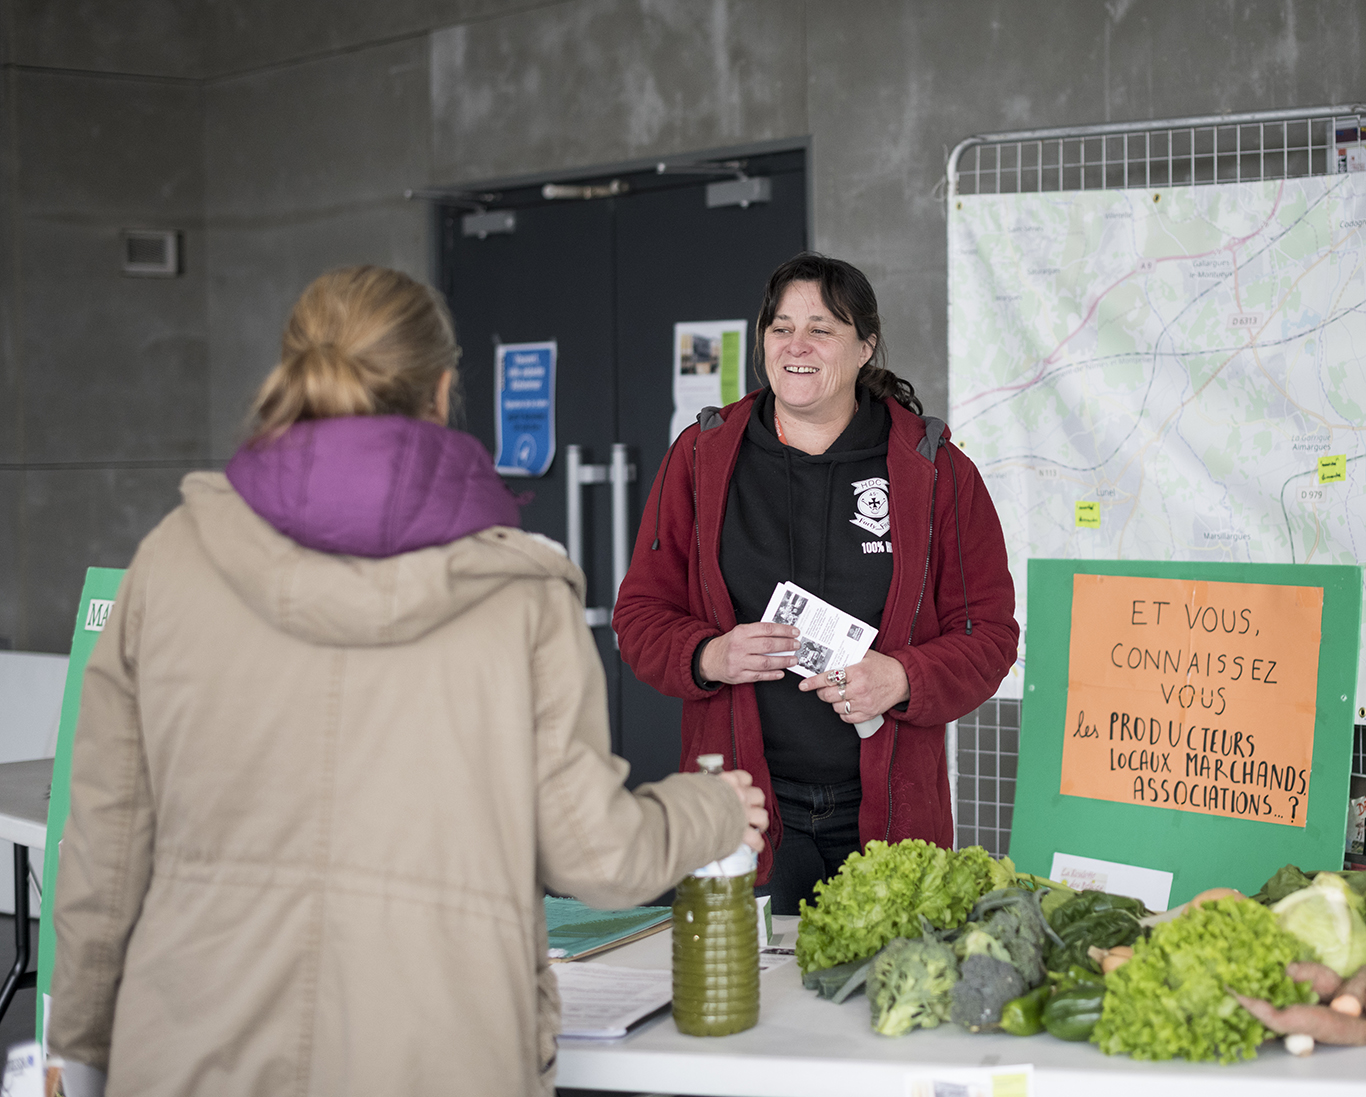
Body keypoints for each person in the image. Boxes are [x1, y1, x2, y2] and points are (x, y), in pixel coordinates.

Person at [47, 266, 766, 1097]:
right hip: (440, 1054)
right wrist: (710, 809)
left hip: (191, 1051)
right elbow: (595, 853)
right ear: (443, 386)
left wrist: (81, 1045)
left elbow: (104, 841)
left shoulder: (170, 560)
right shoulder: (522, 593)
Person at [613, 252, 1017, 915]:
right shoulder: (699, 458)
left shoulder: (936, 471)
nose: (796, 345)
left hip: (889, 813)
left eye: (822, 328)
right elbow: (640, 615)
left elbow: (990, 635)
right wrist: (708, 655)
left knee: (880, 1002)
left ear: (865, 346)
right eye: (780, 327)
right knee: (747, 1000)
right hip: (741, 808)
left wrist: (904, 677)